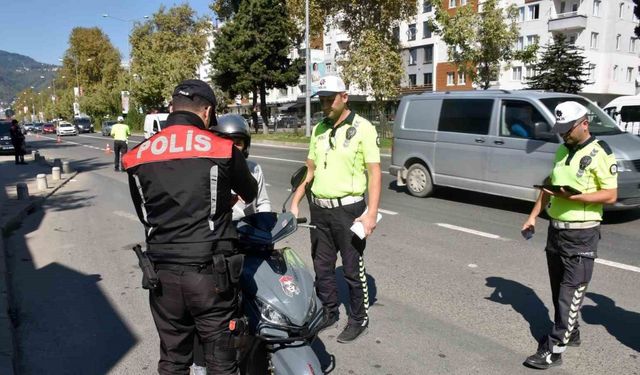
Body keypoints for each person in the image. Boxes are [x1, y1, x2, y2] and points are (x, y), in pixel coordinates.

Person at [122, 79, 258, 375]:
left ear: (172, 108)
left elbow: (145, 210)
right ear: (207, 111)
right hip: (211, 276)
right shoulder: (221, 148)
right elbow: (250, 192)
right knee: (222, 361)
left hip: (162, 275)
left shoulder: (138, 154)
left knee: (173, 360)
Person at [521, 101, 618, 370]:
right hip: (557, 232)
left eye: (567, 129)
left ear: (584, 123)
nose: (563, 134)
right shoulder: (562, 149)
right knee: (557, 291)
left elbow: (610, 194)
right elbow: (550, 186)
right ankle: (570, 331)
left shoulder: (601, 153)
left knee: (569, 295)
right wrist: (532, 216)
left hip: (582, 235)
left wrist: (575, 197)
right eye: (561, 128)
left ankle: (554, 350)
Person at [289, 75, 382, 343]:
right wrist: (295, 203)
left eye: (331, 99)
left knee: (352, 269)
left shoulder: (363, 128)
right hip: (319, 209)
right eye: (322, 100)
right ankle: (329, 311)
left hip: (349, 210)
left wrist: (371, 213)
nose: (326, 104)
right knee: (322, 266)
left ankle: (358, 319)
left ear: (345, 97)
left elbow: (374, 174)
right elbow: (310, 171)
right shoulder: (319, 129)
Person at [191, 113, 272, 375]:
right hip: (218, 242)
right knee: (212, 307)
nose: (233, 148)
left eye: (238, 143)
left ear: (245, 145)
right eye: (227, 142)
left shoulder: (254, 169)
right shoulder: (209, 168)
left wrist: (269, 229)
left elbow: (263, 205)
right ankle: (201, 364)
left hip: (248, 239)